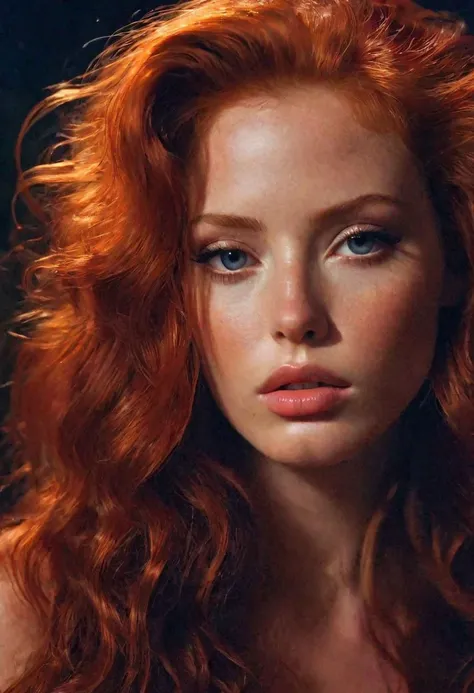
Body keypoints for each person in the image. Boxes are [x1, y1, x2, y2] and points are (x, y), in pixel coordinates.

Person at [0, 0, 473, 690]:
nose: (296, 316)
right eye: (228, 257)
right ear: (163, 285)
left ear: (453, 260)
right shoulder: (36, 612)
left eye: (360, 241)